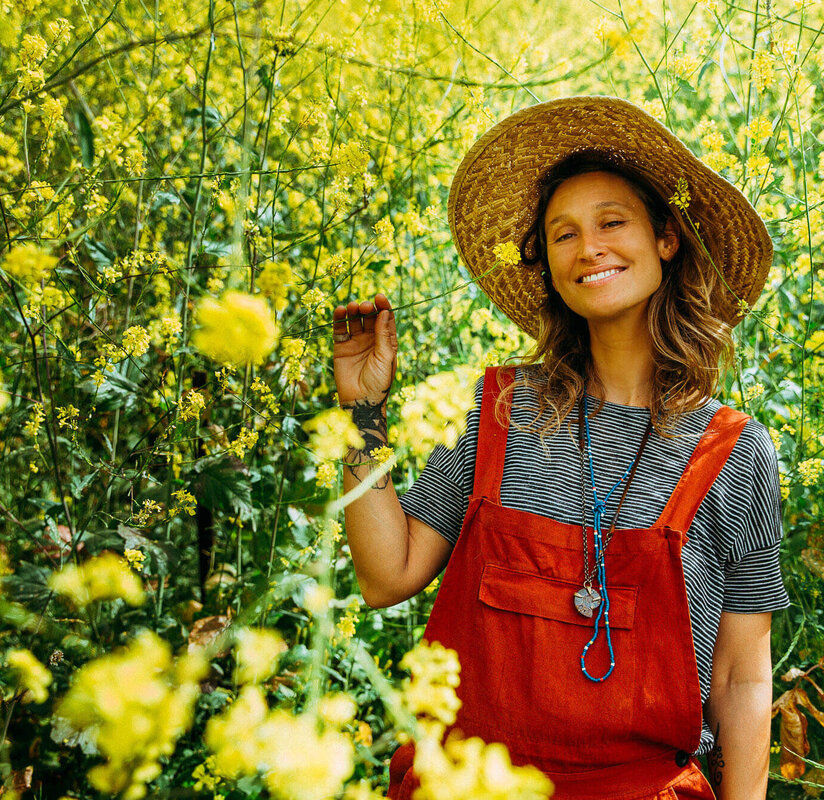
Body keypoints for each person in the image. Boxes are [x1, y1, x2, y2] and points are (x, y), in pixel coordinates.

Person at [331, 96, 787, 800]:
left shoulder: (737, 451)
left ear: (666, 238)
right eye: (563, 234)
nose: (589, 248)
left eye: (612, 222)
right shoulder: (496, 410)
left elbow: (743, 677)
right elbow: (386, 576)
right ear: (547, 263)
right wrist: (362, 414)